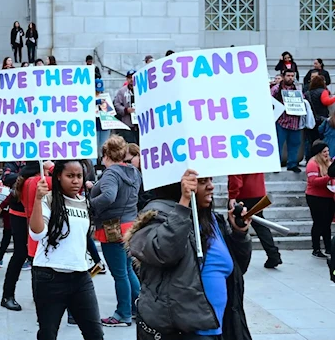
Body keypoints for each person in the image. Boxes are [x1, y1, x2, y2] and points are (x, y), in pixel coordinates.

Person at [126, 170, 253, 340]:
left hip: (220, 327)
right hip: (183, 331)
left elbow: (236, 271)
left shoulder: (214, 221)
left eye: (211, 179)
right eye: (202, 182)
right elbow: (164, 252)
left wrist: (239, 234)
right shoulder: (157, 216)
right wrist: (184, 203)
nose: (211, 186)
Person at [30, 160, 104, 340]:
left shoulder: (84, 202)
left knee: (95, 334)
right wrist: (38, 200)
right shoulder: (49, 199)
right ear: (58, 176)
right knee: (48, 334)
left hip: (80, 277)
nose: (75, 181)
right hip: (49, 277)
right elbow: (37, 234)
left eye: (79, 176)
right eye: (70, 176)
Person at [89, 135, 141, 327]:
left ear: (106, 154)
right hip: (130, 225)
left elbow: (109, 196)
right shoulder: (133, 171)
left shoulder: (111, 173)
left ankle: (122, 313)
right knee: (128, 270)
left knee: (120, 274)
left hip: (113, 228)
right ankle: (138, 308)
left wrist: (90, 204)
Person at [228, 173, 282, 268]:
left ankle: (232, 255)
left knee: (234, 224)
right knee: (260, 225)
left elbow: (235, 175)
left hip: (244, 193)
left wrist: (233, 195)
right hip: (258, 191)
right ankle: (273, 254)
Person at [0, 161, 32, 311]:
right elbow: (6, 178)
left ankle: (41, 293)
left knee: (38, 256)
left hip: (39, 212)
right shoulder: (13, 162)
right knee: (20, 254)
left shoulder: (45, 159)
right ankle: (8, 295)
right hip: (19, 214)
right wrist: (27, 175)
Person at [305, 141, 334, 259]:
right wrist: (329, 177)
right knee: (318, 223)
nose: (327, 154)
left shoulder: (329, 163)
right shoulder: (312, 163)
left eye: (328, 151)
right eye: (324, 152)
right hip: (315, 197)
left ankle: (328, 247)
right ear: (318, 153)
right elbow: (313, 181)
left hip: (328, 195)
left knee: (327, 223)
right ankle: (316, 248)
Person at [272, 69, 303, 172]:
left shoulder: (297, 89)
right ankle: (276, 164)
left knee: (295, 143)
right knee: (279, 143)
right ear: (284, 76)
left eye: (292, 76)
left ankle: (292, 164)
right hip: (282, 120)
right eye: (288, 75)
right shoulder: (276, 89)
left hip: (295, 121)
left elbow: (303, 99)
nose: (290, 78)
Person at [304, 75, 335, 161]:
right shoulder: (323, 91)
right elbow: (326, 101)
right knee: (319, 141)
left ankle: (308, 159)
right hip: (321, 119)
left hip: (310, 120)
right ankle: (318, 160)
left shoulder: (307, 93)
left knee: (309, 140)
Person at [114, 69, 138, 144]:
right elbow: (117, 104)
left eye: (133, 77)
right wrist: (126, 110)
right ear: (127, 79)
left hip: (141, 124)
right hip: (127, 123)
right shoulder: (122, 91)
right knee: (130, 144)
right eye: (129, 77)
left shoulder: (142, 90)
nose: (131, 79)